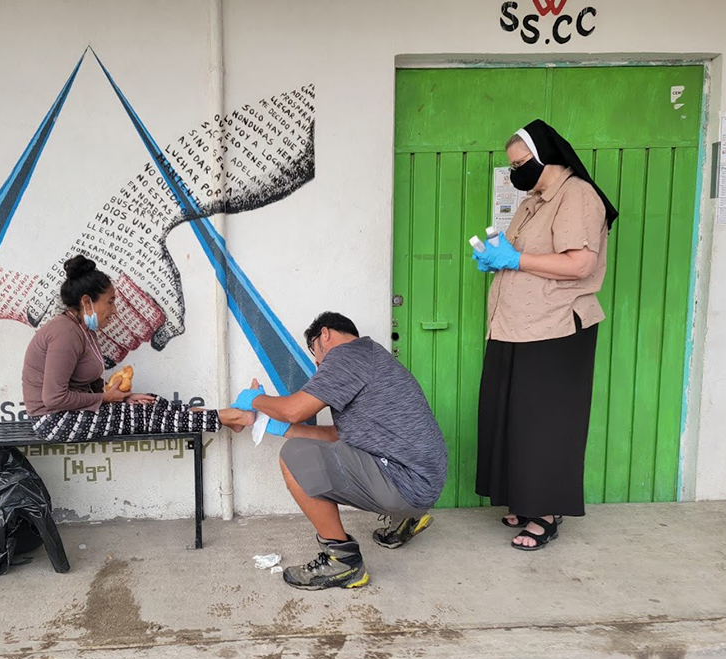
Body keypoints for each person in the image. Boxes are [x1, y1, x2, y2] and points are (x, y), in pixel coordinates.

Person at [472, 119, 619, 551]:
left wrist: (515, 260)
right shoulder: (534, 200)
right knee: (513, 418)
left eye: (521, 163)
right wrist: (498, 258)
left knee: (546, 425)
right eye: (513, 165)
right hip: (516, 325)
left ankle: (547, 513)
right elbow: (524, 253)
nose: (516, 172)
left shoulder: (578, 196)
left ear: (546, 156)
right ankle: (524, 499)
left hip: (555, 328)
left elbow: (579, 264)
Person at [232, 312, 447, 591]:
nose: (318, 363)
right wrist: (280, 428)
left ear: (325, 335)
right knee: (301, 444)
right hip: (424, 483)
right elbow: (338, 437)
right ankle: (407, 517)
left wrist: (254, 399)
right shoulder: (373, 357)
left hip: (405, 484)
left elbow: (294, 410)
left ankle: (343, 562)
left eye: (314, 352)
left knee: (294, 456)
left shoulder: (346, 355)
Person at [22, 255, 255, 441]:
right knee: (144, 416)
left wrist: (122, 397)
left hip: (75, 413)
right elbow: (53, 399)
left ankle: (227, 419)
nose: (114, 311)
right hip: (54, 421)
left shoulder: (84, 329)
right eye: (110, 302)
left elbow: (86, 385)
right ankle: (229, 416)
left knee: (149, 402)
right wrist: (106, 398)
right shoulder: (64, 333)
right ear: (86, 302)